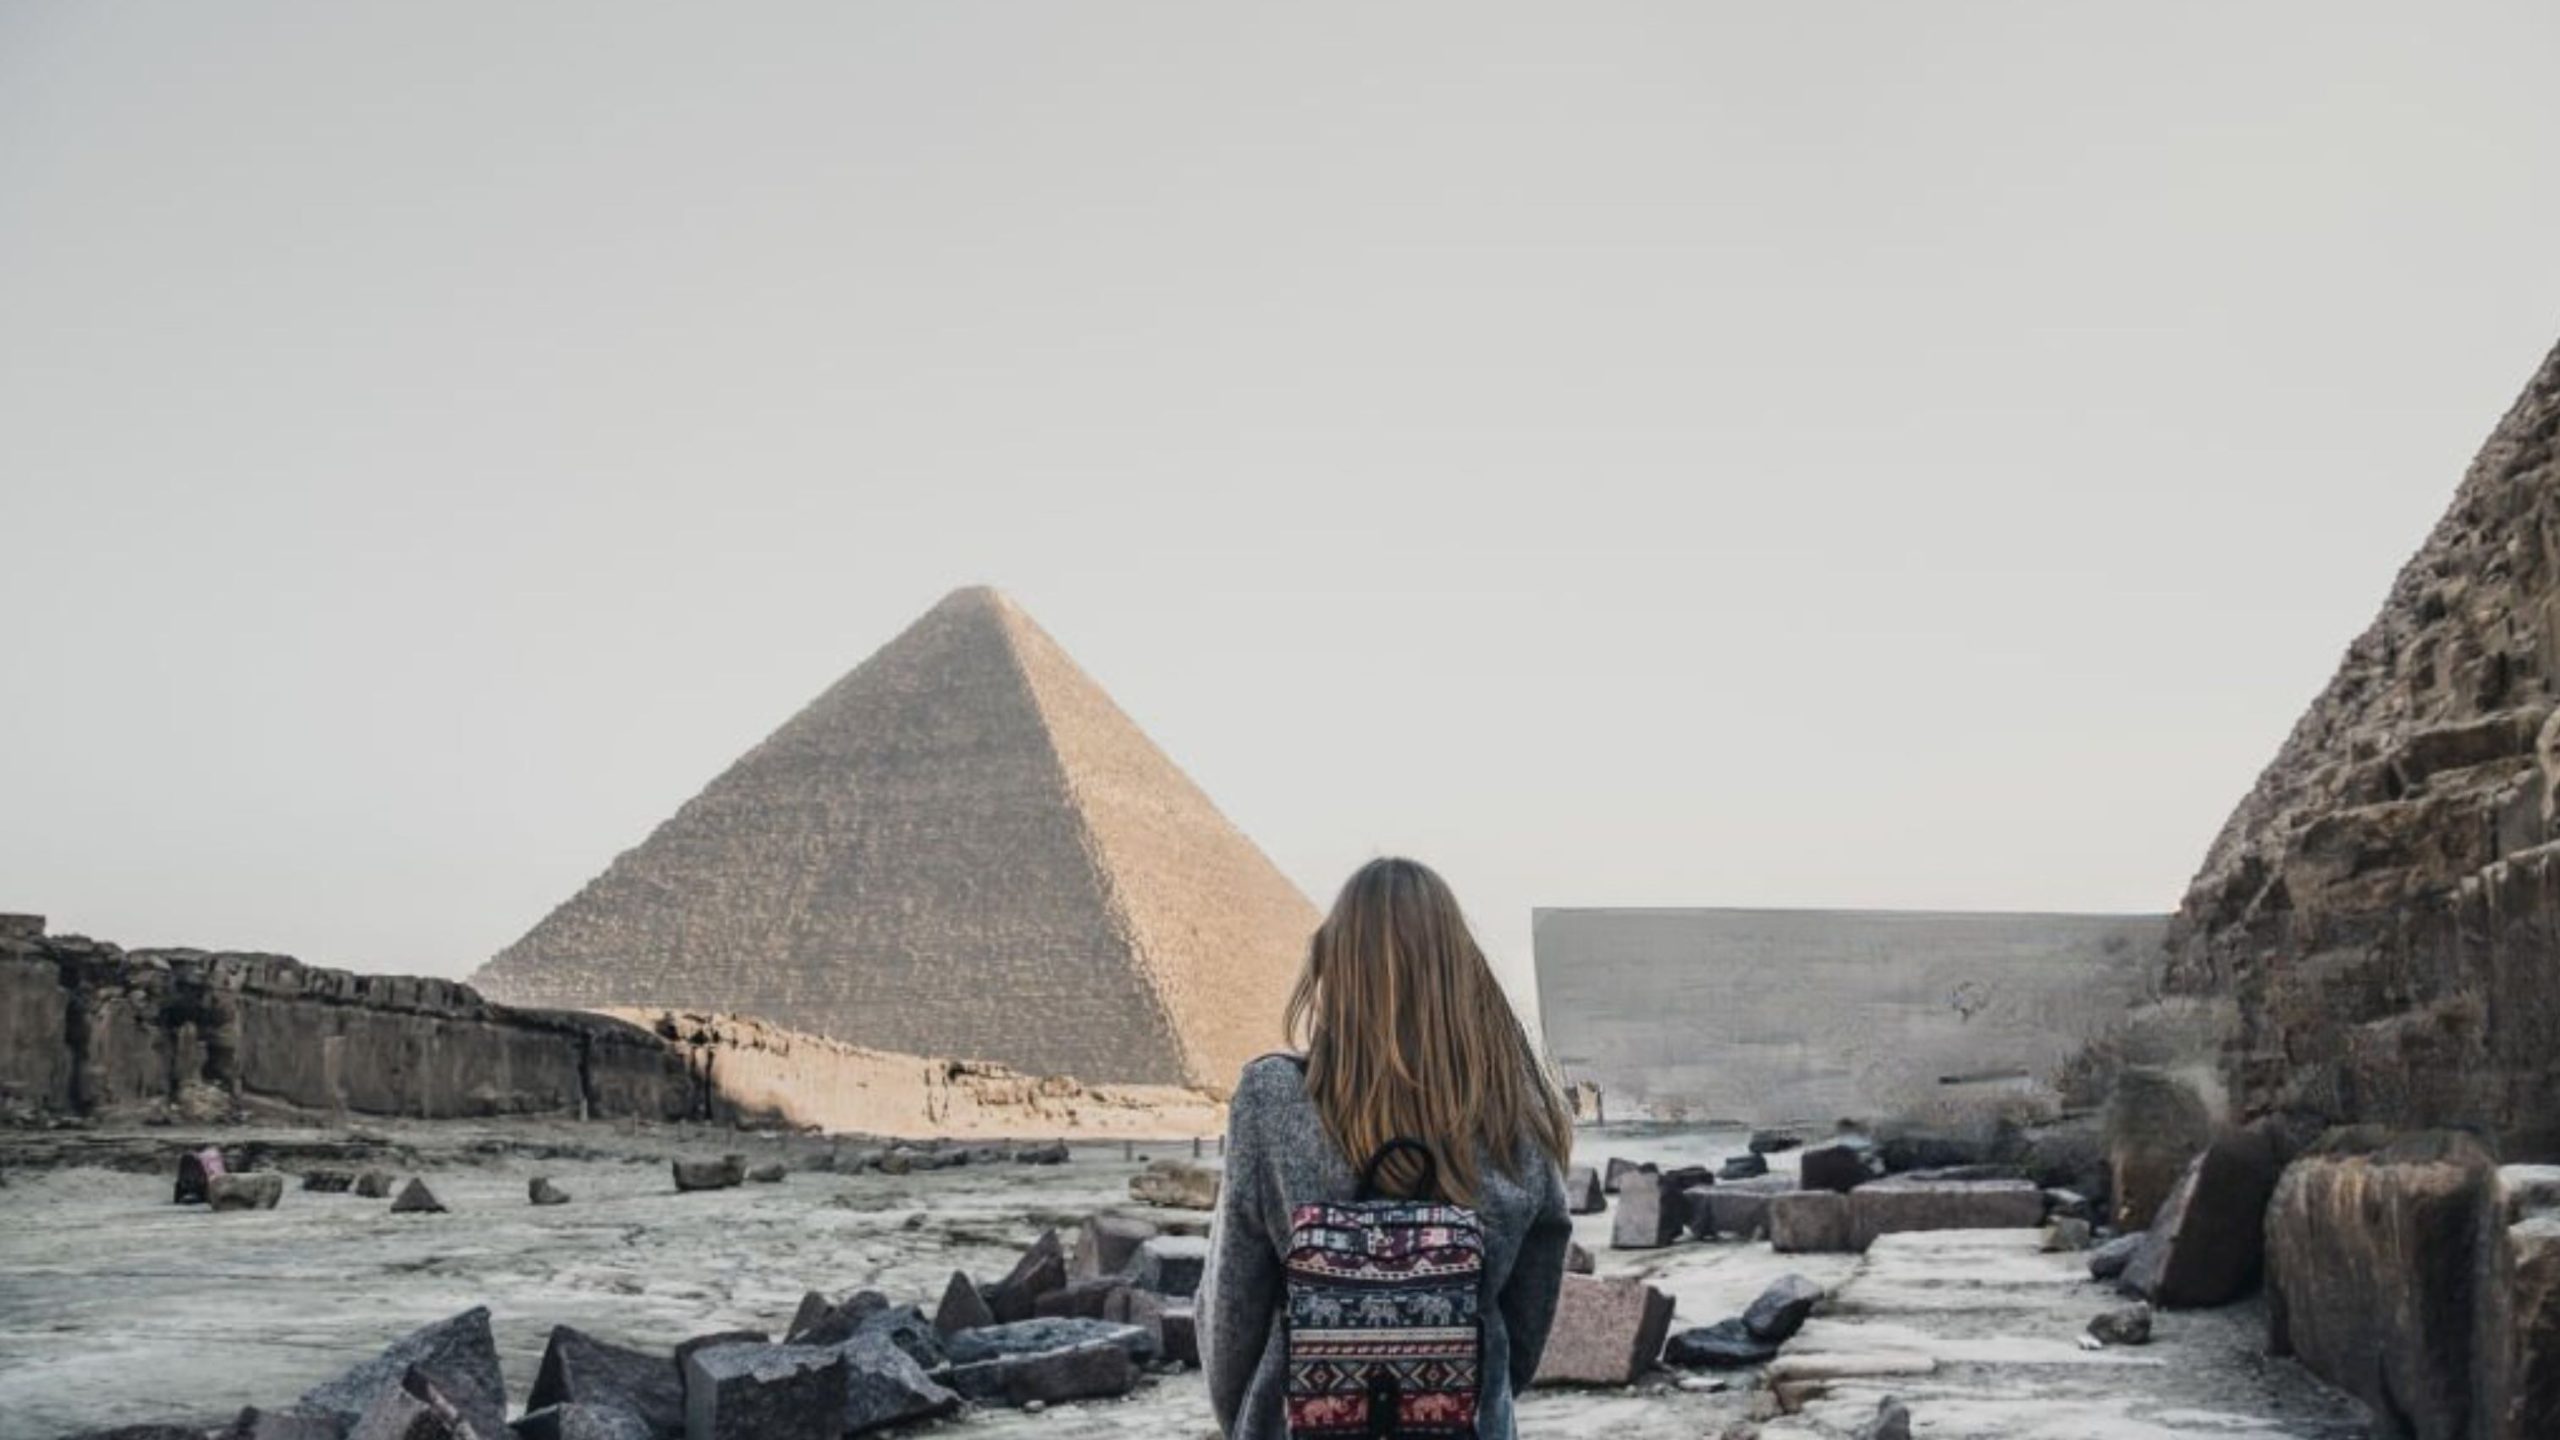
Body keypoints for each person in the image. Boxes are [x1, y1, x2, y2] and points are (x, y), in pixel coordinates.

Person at [1202, 856, 1575, 1440]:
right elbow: (1532, 1306)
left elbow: (1233, 1310)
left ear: (1336, 966)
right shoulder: (1516, 1109)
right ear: (1460, 968)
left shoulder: (1272, 1097)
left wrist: (1246, 1418)